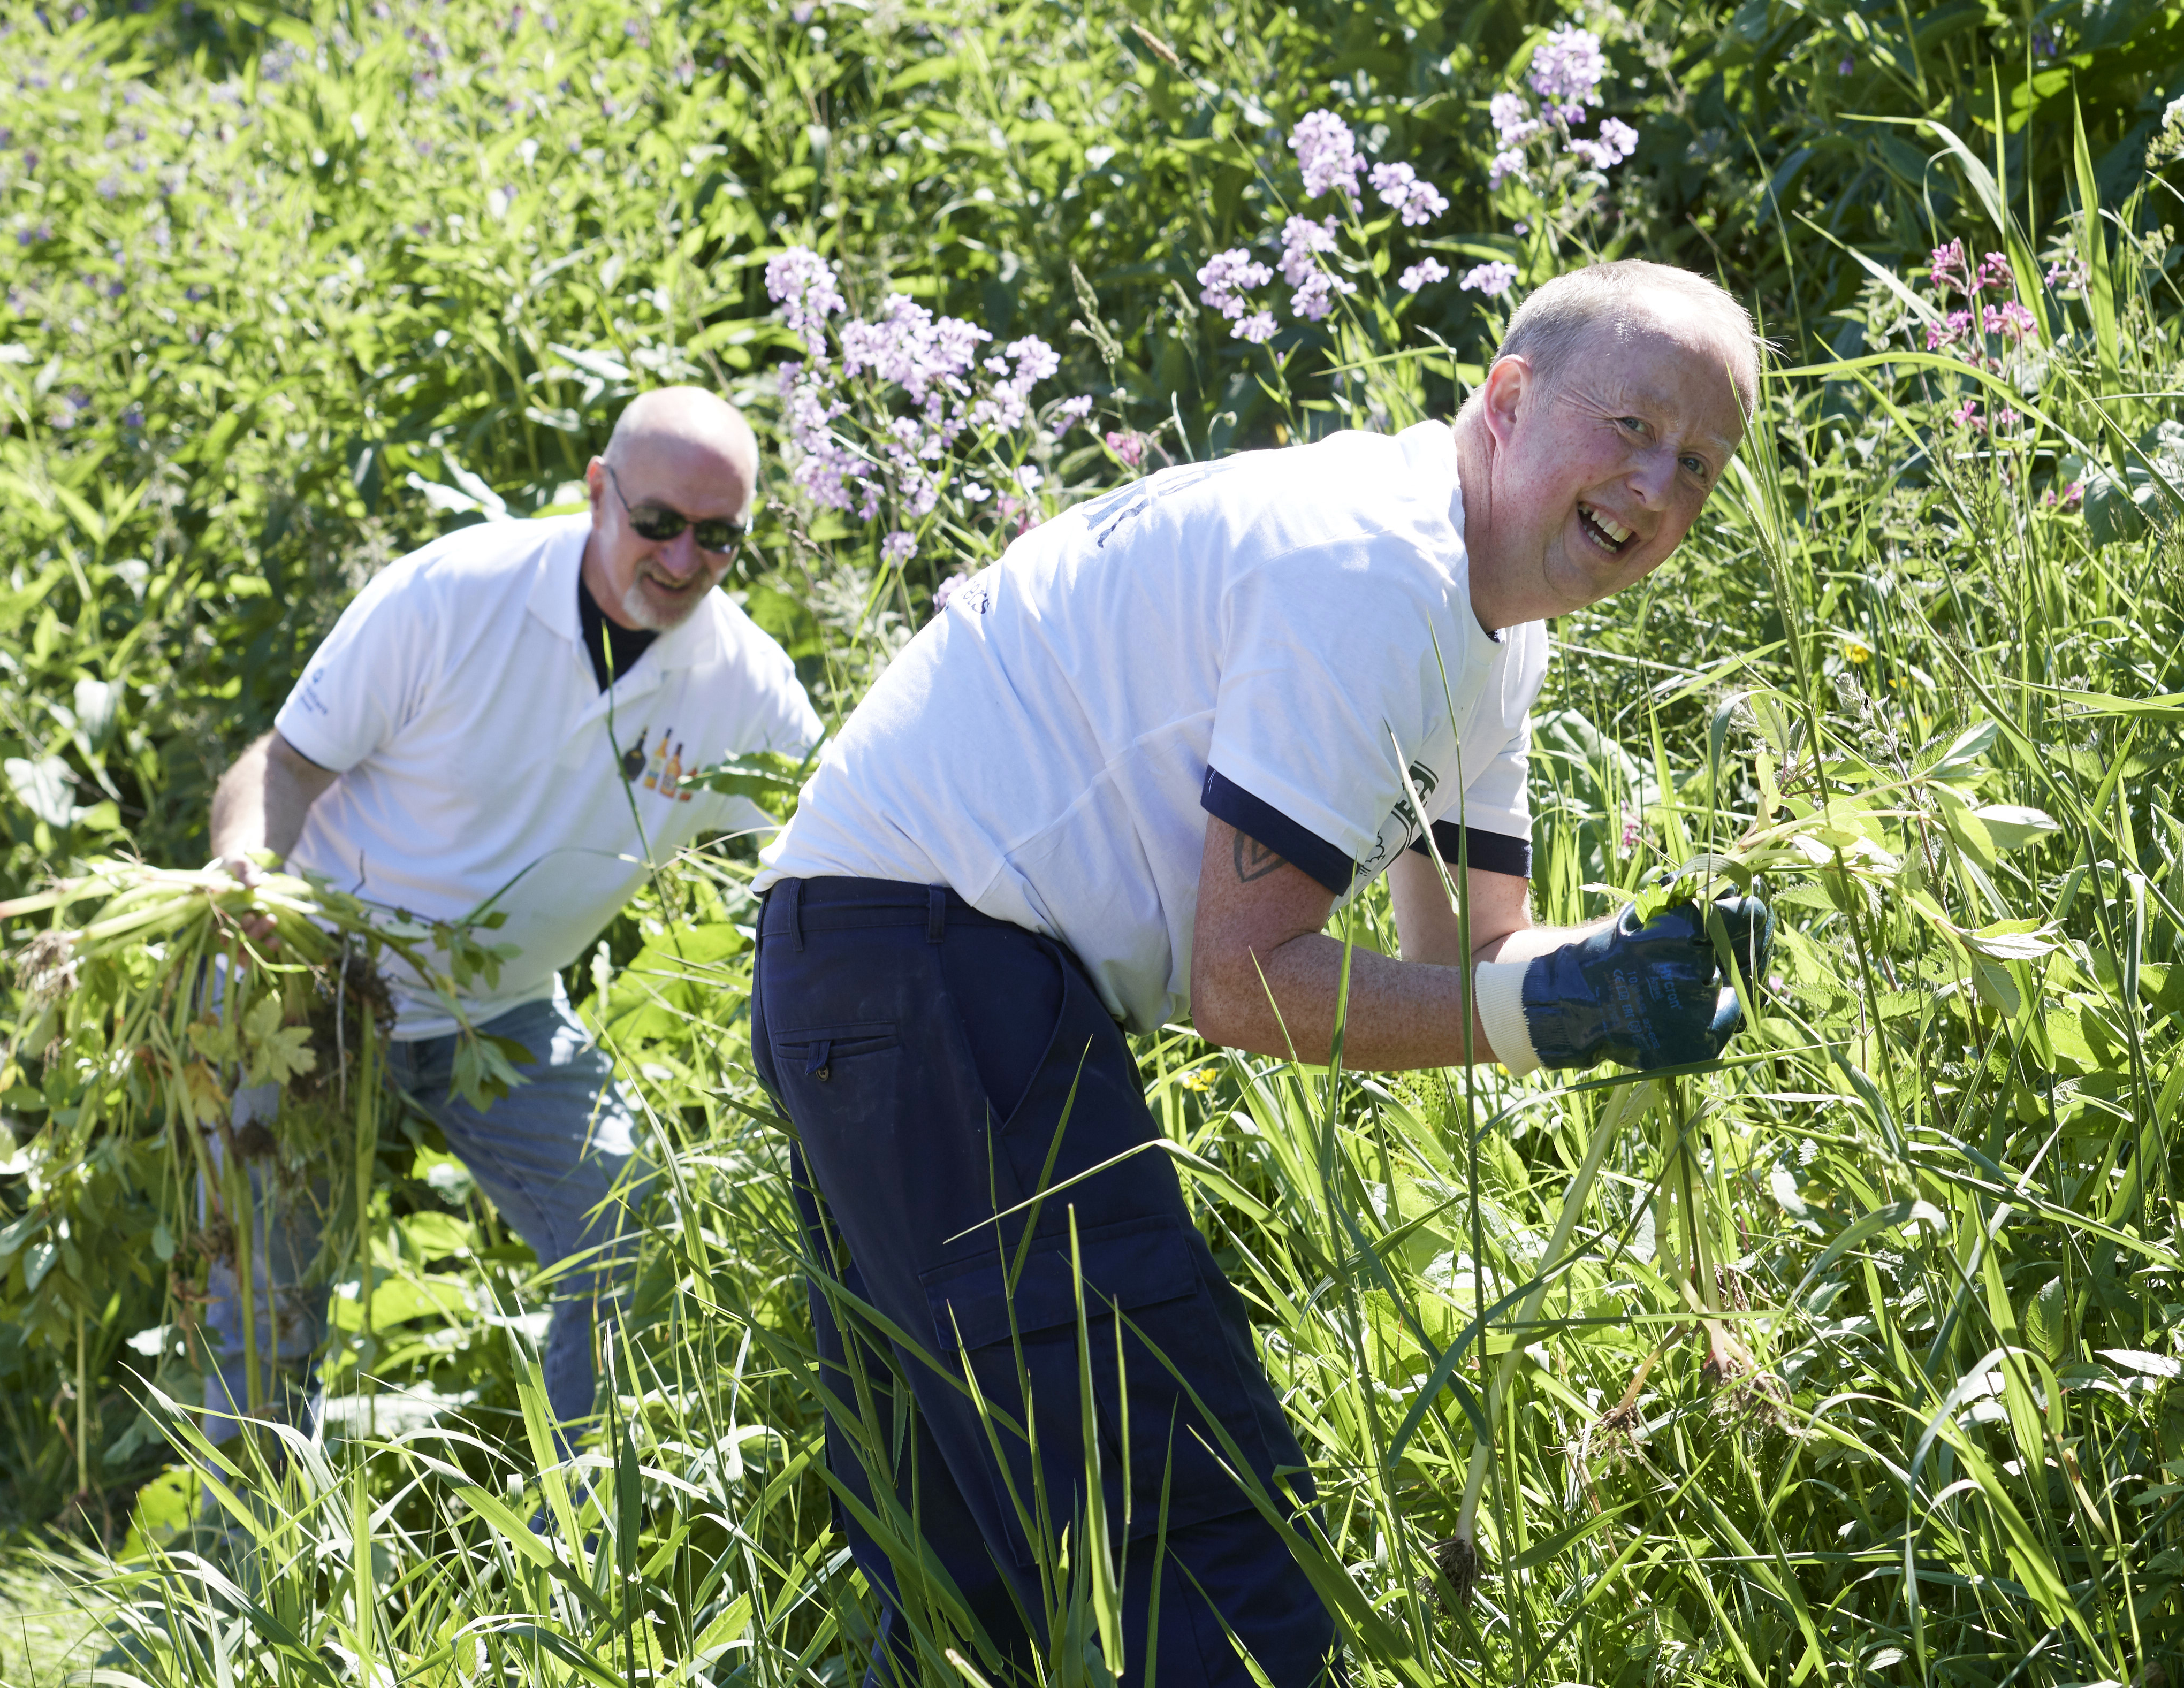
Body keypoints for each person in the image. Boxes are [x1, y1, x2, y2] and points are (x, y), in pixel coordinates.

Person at [748, 261, 1774, 1685]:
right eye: (1631, 427)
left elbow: (1466, 956)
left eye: (1697, 465)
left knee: (967, 1590)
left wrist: (1617, 972)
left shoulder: (1486, 629)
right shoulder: (1371, 570)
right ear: (1508, 397)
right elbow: (1249, 983)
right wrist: (1551, 1012)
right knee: (1207, 1558)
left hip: (887, 976)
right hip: (930, 969)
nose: (1656, 486)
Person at [203, 385, 821, 1444]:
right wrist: (242, 870)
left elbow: (831, 849)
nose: (682, 563)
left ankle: (583, 1564)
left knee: (626, 1225)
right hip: (307, 985)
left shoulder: (745, 690)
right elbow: (289, 762)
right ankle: (245, 1589)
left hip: (496, 1011)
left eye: (719, 539)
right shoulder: (455, 593)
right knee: (269, 1301)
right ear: (597, 493)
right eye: (660, 524)